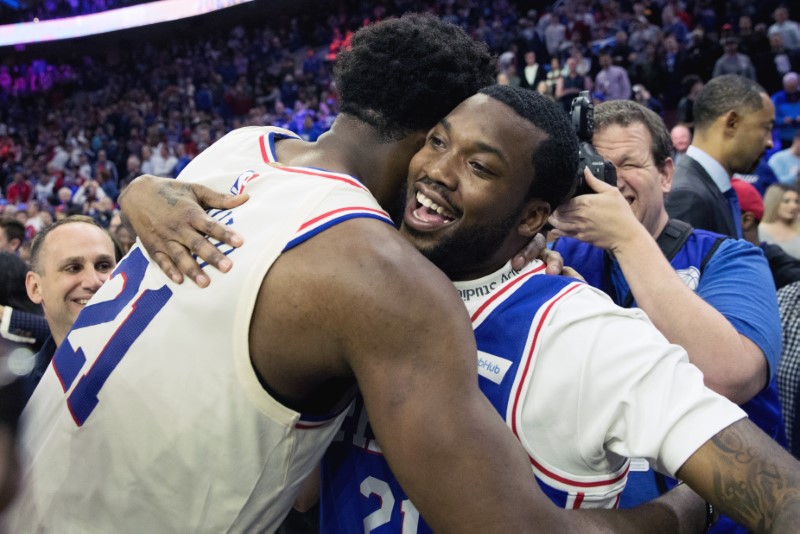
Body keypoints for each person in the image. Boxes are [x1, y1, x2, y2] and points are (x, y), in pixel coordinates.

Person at [2, 15, 644, 533]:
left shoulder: (242, 145)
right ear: (438, 134)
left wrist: (138, 185)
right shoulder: (375, 270)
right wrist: (678, 513)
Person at [126, 88, 800, 533]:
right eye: (439, 141)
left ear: (533, 215)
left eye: (480, 166)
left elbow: (777, 493)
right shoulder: (343, 285)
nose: (437, 171)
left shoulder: (580, 332)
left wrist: (687, 507)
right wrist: (143, 190)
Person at [550, 99, 785, 533]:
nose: (612, 179)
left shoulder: (732, 259)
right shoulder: (561, 254)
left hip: (725, 518)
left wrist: (626, 237)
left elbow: (730, 375)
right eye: (598, 164)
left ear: (665, 174)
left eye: (628, 163)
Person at [665, 74, 775, 238]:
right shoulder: (688, 196)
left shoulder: (708, 187)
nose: (770, 142)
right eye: (766, 128)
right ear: (732, 123)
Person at [759, 184, 800, 258]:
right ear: (774, 202)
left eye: (796, 202)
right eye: (786, 201)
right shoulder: (758, 230)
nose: (793, 206)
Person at [773, 71, 800, 149]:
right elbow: (772, 118)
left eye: (793, 86)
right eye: (789, 86)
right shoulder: (777, 98)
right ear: (784, 85)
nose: (791, 89)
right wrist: (783, 120)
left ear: (798, 84)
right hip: (784, 137)